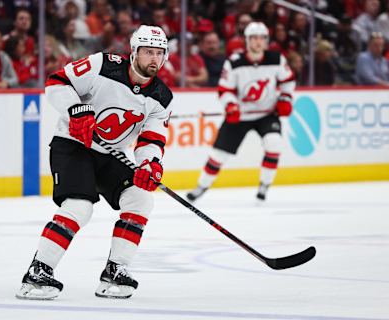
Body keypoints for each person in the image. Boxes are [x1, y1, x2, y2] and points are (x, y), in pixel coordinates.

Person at [16, 25, 173, 300]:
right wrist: (76, 110)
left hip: (111, 152)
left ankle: (116, 271)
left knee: (141, 197)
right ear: (134, 52)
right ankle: (37, 272)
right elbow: (56, 82)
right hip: (73, 144)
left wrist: (150, 165)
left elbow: (150, 140)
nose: (154, 59)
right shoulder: (103, 65)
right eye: (148, 51)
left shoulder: (161, 97)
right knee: (79, 207)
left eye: (159, 53)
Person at [187, 22, 295, 202]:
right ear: (247, 40)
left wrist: (285, 98)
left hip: (267, 113)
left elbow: (288, 81)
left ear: (266, 41)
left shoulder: (277, 59)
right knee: (219, 154)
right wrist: (230, 105)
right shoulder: (235, 62)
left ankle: (264, 185)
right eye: (254, 38)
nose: (258, 42)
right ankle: (202, 186)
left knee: (274, 142)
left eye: (262, 38)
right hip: (241, 115)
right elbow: (224, 89)